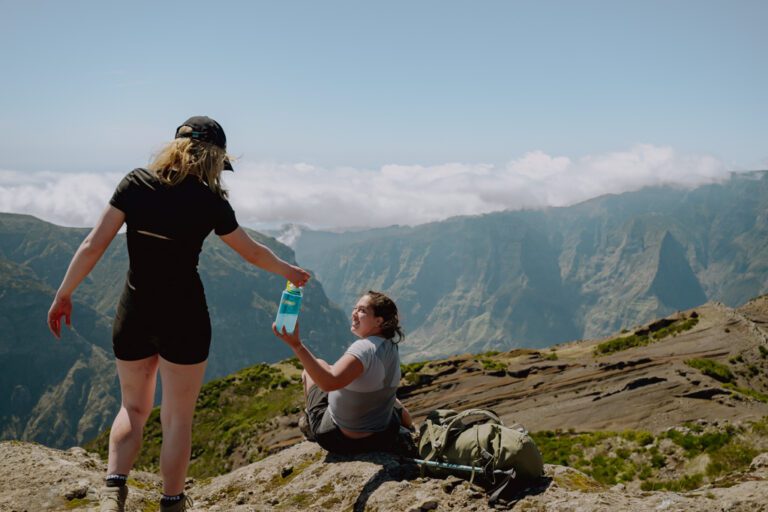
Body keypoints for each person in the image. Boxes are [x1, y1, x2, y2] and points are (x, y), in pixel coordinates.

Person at [47, 116, 310, 512]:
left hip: (134, 312)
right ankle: (172, 502)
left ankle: (112, 494)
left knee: (132, 408)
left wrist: (64, 294)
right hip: (185, 318)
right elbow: (251, 251)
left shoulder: (135, 184)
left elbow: (92, 244)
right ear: (215, 157)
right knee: (177, 419)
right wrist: (289, 272)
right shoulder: (211, 202)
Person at [273, 290, 413, 455]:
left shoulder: (364, 348)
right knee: (336, 370)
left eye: (362, 310)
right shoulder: (390, 347)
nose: (354, 313)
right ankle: (408, 423)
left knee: (314, 368)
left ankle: (311, 423)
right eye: (355, 308)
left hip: (342, 439)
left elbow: (328, 383)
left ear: (378, 321)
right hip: (384, 435)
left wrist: (296, 345)